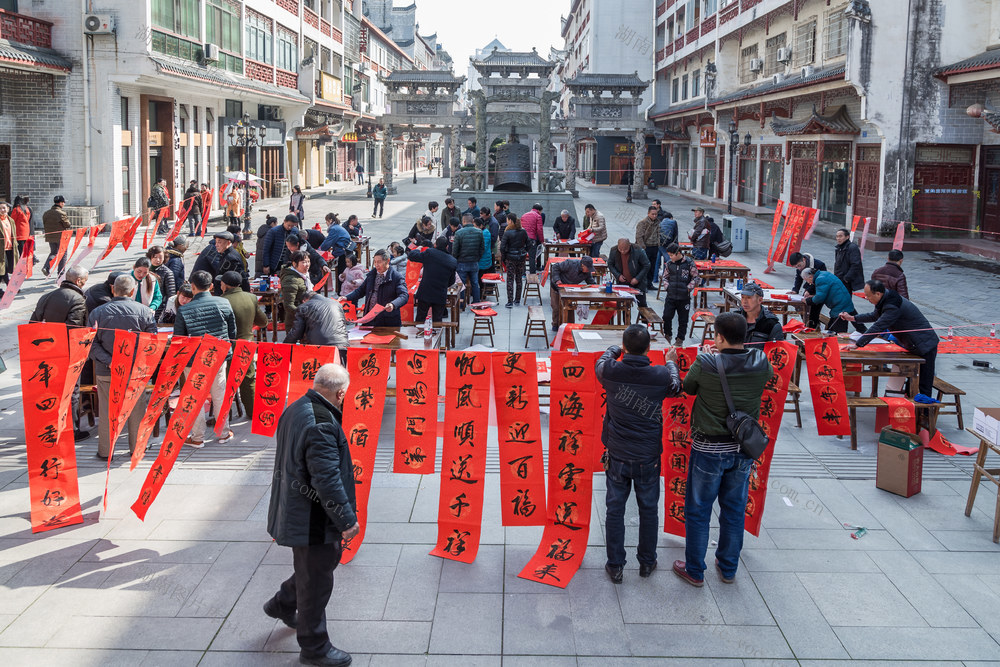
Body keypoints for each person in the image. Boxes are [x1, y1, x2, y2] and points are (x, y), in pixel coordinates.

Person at [265, 363, 359, 667]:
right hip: (312, 518)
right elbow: (327, 480)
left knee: (317, 567)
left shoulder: (297, 407)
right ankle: (314, 646)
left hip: (297, 508)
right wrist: (346, 520)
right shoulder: (321, 423)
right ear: (341, 392)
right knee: (317, 579)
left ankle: (283, 603)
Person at [674, 312, 773, 587]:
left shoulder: (706, 362)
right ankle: (728, 567)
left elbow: (689, 388)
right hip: (743, 449)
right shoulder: (761, 361)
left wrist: (707, 357)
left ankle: (694, 569)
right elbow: (768, 376)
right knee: (734, 509)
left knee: (698, 509)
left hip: (708, 448)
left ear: (718, 336)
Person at [596, 324, 683, 582]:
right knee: (648, 509)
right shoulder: (658, 375)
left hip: (618, 453)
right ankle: (647, 562)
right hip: (648, 455)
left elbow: (602, 360)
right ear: (648, 348)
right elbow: (676, 386)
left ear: (624, 348)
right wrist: (670, 363)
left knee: (615, 509)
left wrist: (614, 349)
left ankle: (615, 564)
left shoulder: (610, 371)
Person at [88, 274, 159, 459]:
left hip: (107, 370)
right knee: (137, 410)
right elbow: (152, 342)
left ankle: (105, 450)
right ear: (133, 291)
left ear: (113, 289)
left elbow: (90, 344)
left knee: (106, 410)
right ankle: (136, 448)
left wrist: (111, 361)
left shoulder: (98, 312)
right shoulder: (144, 311)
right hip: (135, 370)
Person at [841, 279, 940, 400]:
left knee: (924, 382)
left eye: (868, 296)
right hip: (913, 344)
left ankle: (924, 413)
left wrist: (858, 344)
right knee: (911, 377)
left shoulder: (892, 305)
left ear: (878, 294)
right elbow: (874, 316)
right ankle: (911, 407)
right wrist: (852, 318)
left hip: (925, 344)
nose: (866, 298)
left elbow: (878, 326)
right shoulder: (885, 300)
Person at [174, 270, 237, 446]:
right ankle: (223, 433)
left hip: (194, 358)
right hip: (219, 354)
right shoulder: (224, 303)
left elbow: (179, 339)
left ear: (193, 287)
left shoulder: (185, 309)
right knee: (219, 394)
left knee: (196, 397)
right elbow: (232, 332)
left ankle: (197, 437)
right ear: (211, 286)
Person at [31, 265, 91, 441]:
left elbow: (33, 323)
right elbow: (74, 330)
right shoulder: (77, 299)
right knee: (71, 392)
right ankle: (70, 430)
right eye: (84, 281)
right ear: (78, 281)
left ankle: (48, 426)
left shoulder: (46, 296)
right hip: (67, 353)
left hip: (45, 353)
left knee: (50, 390)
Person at [220, 271, 267, 415]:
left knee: (226, 382)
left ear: (226, 285)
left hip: (228, 345)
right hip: (247, 343)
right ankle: (252, 411)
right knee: (248, 378)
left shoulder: (222, 300)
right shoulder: (251, 297)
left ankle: (223, 416)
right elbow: (263, 321)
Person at [344, 249, 408, 327]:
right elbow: (360, 291)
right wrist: (346, 297)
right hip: (369, 317)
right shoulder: (372, 275)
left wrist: (393, 304)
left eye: (379, 262)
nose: (376, 265)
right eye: (375, 262)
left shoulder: (396, 277)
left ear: (387, 261)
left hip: (387, 320)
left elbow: (404, 295)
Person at [284, 291, 350, 358]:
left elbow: (296, 332)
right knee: (340, 368)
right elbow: (343, 323)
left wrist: (284, 347)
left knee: (321, 367)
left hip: (319, 346)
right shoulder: (337, 304)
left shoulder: (304, 306)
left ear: (304, 300)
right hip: (342, 344)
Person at [408, 236, 458, 322]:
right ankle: (436, 334)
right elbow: (451, 281)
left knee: (420, 318)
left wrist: (418, 248)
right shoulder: (452, 261)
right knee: (437, 320)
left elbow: (411, 256)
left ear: (435, 245)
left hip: (425, 292)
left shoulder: (430, 253)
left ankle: (419, 334)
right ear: (447, 247)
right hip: (440, 294)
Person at [801, 267, 865, 334]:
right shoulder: (823, 274)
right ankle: (866, 334)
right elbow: (823, 293)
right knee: (858, 325)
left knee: (837, 331)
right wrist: (813, 297)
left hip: (840, 305)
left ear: (810, 277)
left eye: (806, 280)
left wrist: (808, 301)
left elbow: (820, 298)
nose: (808, 283)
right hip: (844, 301)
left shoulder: (820, 279)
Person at [660, 243, 699, 347]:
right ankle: (668, 334)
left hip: (684, 298)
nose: (670, 257)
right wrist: (667, 287)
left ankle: (680, 339)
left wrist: (688, 288)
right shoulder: (669, 264)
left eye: (671, 255)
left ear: (678, 253)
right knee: (666, 316)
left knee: (683, 320)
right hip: (671, 296)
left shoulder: (689, 263)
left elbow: (696, 278)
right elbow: (665, 277)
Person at [549, 255, 595, 331]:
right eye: (588, 268)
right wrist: (557, 279)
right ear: (582, 265)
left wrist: (596, 286)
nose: (588, 270)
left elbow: (590, 281)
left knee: (569, 307)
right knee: (556, 307)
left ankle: (569, 326)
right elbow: (555, 267)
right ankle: (555, 324)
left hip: (569, 290)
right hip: (557, 287)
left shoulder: (587, 271)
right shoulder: (570, 263)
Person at [451, 213, 485, 305]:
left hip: (462, 262)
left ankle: (461, 304)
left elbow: (455, 250)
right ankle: (476, 302)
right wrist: (477, 258)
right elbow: (482, 249)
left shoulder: (459, 233)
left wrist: (456, 260)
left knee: (461, 285)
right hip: (474, 262)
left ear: (464, 221)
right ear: (472, 221)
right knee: (475, 283)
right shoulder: (479, 232)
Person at [608, 237, 651, 309]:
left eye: (625, 249)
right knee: (624, 305)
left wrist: (637, 278)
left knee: (642, 304)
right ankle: (626, 320)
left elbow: (647, 265)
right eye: (620, 249)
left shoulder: (638, 250)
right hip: (623, 281)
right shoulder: (614, 250)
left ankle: (644, 320)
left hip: (638, 282)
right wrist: (618, 276)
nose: (622, 251)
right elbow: (610, 264)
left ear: (629, 245)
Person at [788, 251, 828, 327]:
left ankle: (813, 328)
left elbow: (820, 281)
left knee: (813, 311)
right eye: (796, 267)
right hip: (809, 288)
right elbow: (798, 278)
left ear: (804, 259)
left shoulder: (819, 265)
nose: (799, 268)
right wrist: (795, 290)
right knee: (801, 307)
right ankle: (808, 325)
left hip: (819, 290)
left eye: (799, 265)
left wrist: (809, 290)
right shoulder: (799, 267)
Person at [500, 213, 529, 308]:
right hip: (521, 257)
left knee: (510, 279)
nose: (507, 222)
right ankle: (517, 299)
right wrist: (524, 251)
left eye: (508, 220)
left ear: (511, 221)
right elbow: (529, 244)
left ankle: (510, 301)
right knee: (519, 278)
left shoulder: (507, 232)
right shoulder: (523, 231)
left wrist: (503, 258)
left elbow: (502, 247)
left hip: (510, 258)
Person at [281, 250, 313, 330]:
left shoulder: (304, 276)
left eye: (308, 261)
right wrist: (304, 314)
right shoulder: (291, 280)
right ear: (294, 264)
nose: (307, 265)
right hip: (295, 322)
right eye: (304, 262)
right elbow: (289, 305)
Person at [320, 213, 352, 290]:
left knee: (341, 273)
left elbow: (327, 243)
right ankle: (341, 290)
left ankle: (341, 291)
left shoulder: (334, 229)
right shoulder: (337, 227)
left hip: (342, 252)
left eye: (326, 221)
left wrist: (319, 250)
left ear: (330, 220)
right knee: (343, 272)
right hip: (345, 251)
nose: (326, 223)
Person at [42, 195, 70, 276]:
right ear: (61, 203)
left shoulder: (46, 213)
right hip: (61, 237)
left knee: (54, 252)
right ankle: (61, 273)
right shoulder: (61, 213)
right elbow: (67, 225)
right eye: (63, 202)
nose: (64, 204)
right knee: (63, 254)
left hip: (50, 236)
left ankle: (46, 267)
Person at [146, 246, 176, 321]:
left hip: (160, 308)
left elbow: (171, 295)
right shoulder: (145, 270)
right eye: (155, 257)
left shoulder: (167, 272)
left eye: (160, 257)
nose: (158, 260)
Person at [635, 206, 661, 289]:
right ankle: (643, 284)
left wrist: (659, 244)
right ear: (648, 213)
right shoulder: (642, 223)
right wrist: (643, 247)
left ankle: (649, 283)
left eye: (656, 214)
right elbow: (639, 237)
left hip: (655, 247)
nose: (654, 216)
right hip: (646, 247)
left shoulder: (658, 222)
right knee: (645, 266)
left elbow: (659, 234)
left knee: (652, 266)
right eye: (652, 214)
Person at [834, 227, 865, 293]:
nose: (838, 238)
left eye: (840, 236)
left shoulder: (852, 247)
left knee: (845, 299)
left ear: (847, 237)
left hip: (846, 280)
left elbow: (856, 264)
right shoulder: (838, 248)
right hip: (839, 278)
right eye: (837, 236)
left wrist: (847, 278)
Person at [521, 203, 545, 274]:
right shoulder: (538, 216)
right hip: (532, 239)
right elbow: (539, 230)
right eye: (541, 211)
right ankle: (532, 274)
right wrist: (542, 241)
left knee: (523, 256)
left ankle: (523, 273)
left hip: (523, 238)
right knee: (532, 257)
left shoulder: (524, 215)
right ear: (538, 210)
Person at [0, 203, 18, 290]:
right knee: (2, 269)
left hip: (10, 248)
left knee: (6, 268)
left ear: (8, 209)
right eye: (0, 208)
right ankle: (10, 287)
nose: (2, 210)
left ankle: (10, 287)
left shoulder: (11, 220)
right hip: (1, 249)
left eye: (4, 208)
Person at [657, 210, 679, 274]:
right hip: (668, 243)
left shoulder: (660, 222)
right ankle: (665, 274)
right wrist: (676, 246)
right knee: (668, 259)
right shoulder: (673, 222)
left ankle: (655, 278)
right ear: (671, 217)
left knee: (657, 260)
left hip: (659, 243)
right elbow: (675, 235)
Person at [476, 217, 493, 299]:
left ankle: (482, 294)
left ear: (481, 225)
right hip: (481, 258)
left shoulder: (485, 233)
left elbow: (484, 247)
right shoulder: (481, 232)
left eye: (475, 226)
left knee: (481, 277)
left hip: (483, 259)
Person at [11, 194, 32, 258]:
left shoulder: (16, 209)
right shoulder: (27, 209)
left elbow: (12, 221)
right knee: (25, 250)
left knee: (20, 251)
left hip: (19, 232)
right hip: (26, 231)